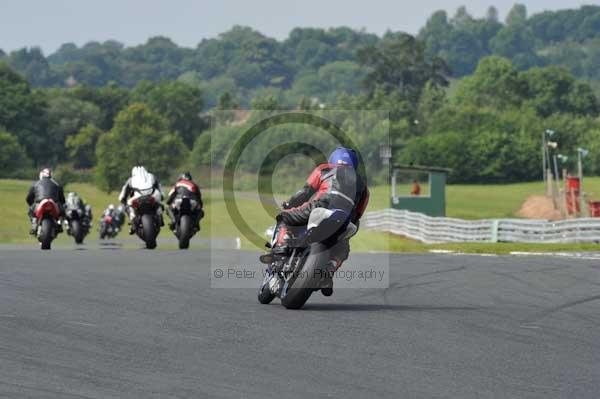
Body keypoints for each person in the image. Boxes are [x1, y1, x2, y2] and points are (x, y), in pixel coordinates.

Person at [265, 147, 370, 296]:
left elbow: (305, 192)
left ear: (333, 158)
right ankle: (329, 271)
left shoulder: (324, 169)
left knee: (284, 217)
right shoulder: (364, 188)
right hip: (343, 219)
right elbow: (357, 215)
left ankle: (282, 250)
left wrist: (289, 204)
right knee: (342, 248)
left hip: (320, 207)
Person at [118, 166, 164, 234]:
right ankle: (160, 217)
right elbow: (160, 189)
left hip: (138, 197)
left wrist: (122, 199)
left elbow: (123, 193)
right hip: (152, 196)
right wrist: (162, 196)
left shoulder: (131, 179)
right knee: (158, 203)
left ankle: (133, 220)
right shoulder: (152, 176)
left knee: (128, 205)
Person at [25, 168, 66, 234]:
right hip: (53, 203)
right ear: (50, 175)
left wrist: (31, 205)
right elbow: (62, 199)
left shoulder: (35, 184)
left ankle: (34, 224)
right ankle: (59, 224)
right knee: (62, 213)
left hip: (39, 203)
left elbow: (29, 198)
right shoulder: (57, 184)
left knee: (31, 212)